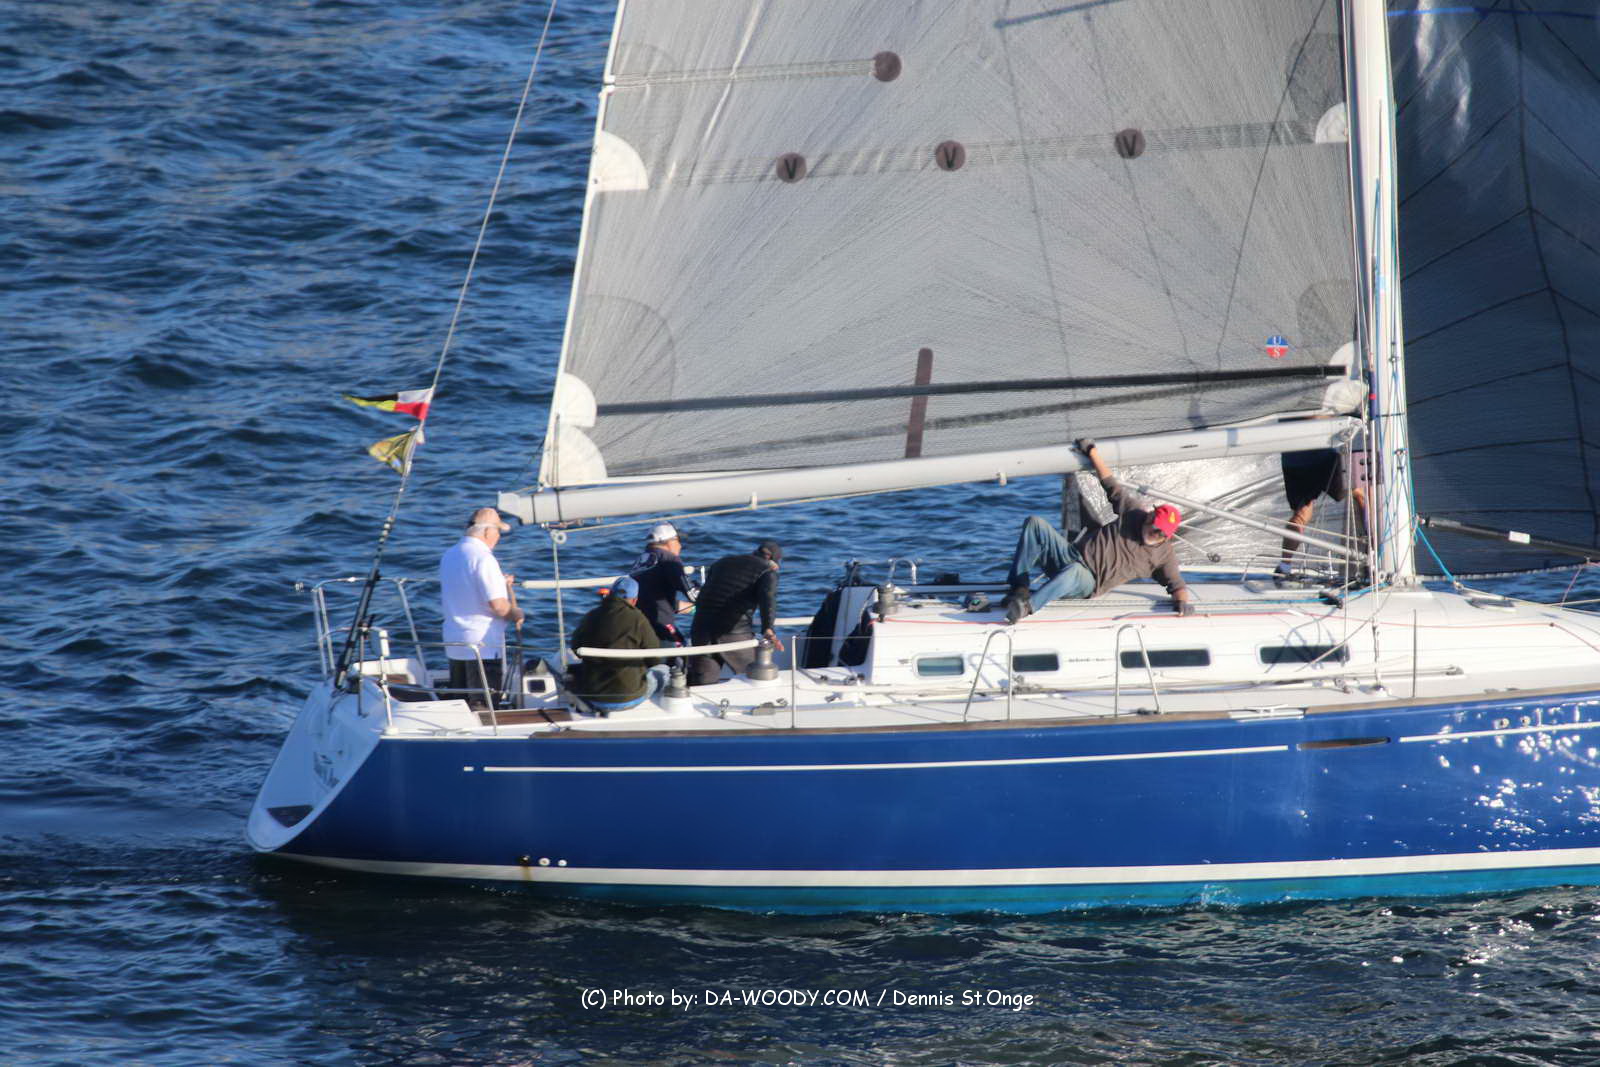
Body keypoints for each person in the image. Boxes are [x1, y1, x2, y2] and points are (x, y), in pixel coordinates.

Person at [1001, 439, 1192, 623]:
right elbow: (1110, 484)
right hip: (1069, 555)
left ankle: (1026, 608)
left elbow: (1177, 586)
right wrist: (1092, 452)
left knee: (1074, 571)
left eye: (1162, 534)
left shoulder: (1164, 555)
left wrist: (1182, 603)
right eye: (1156, 527)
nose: (1157, 534)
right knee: (1035, 524)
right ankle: (1019, 589)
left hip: (1088, 581)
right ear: (1151, 516)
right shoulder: (1134, 513)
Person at [439, 507, 524, 709]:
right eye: (498, 531)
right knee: (484, 706)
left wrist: (500, 582)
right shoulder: (484, 558)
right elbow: (499, 606)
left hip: (455, 641)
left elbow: (469, 586)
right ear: (487, 531)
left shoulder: (451, 554)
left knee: (460, 703)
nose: (498, 537)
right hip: (482, 645)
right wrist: (517, 613)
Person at [688, 540, 784, 686]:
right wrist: (768, 629)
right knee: (756, 677)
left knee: (704, 683)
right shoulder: (768, 571)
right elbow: (768, 599)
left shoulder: (722, 562)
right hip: (733, 632)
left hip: (701, 628)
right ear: (774, 562)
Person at [569, 575, 666, 711]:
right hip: (628, 697)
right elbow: (654, 658)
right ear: (635, 600)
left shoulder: (592, 615)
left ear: (611, 594)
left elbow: (575, 647)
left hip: (592, 695)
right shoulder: (638, 618)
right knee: (664, 671)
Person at [1278, 449, 1368, 577]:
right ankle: (1373, 546)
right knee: (1360, 492)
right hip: (1324, 456)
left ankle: (1284, 566)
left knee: (1301, 514)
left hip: (1293, 460)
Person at [627, 522, 698, 650]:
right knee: (681, 653)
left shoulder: (641, 560)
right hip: (660, 625)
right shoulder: (669, 559)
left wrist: (692, 608)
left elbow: (652, 597)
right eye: (678, 540)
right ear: (670, 541)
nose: (680, 546)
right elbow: (693, 594)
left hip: (637, 624)